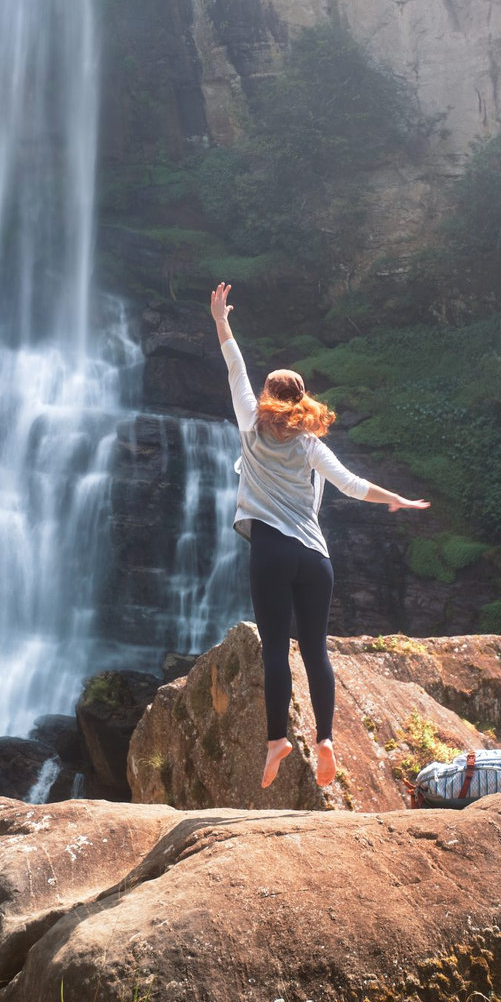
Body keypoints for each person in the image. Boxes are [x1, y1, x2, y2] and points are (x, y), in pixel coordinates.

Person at [209, 282, 429, 791]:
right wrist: (397, 497)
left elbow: (233, 368)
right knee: (315, 651)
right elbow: (352, 486)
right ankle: (326, 739)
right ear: (302, 400)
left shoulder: (251, 426)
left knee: (273, 649)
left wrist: (222, 321)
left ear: (267, 397)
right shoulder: (310, 444)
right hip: (316, 558)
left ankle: (276, 742)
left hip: (272, 550)